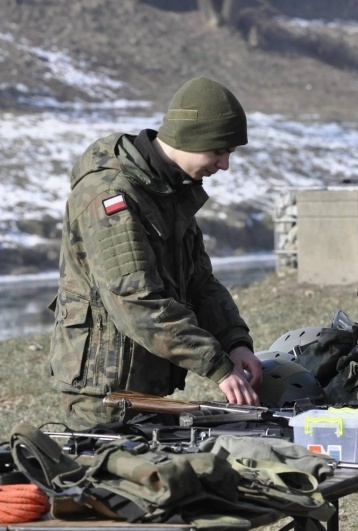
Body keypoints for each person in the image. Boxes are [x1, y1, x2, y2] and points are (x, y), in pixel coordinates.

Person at [48, 75, 264, 429]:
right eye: (219, 151)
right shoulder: (110, 195)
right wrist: (216, 365)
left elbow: (200, 283)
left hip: (143, 383)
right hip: (102, 391)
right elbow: (134, 298)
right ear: (191, 140)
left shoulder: (170, 190)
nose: (225, 164)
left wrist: (235, 342)